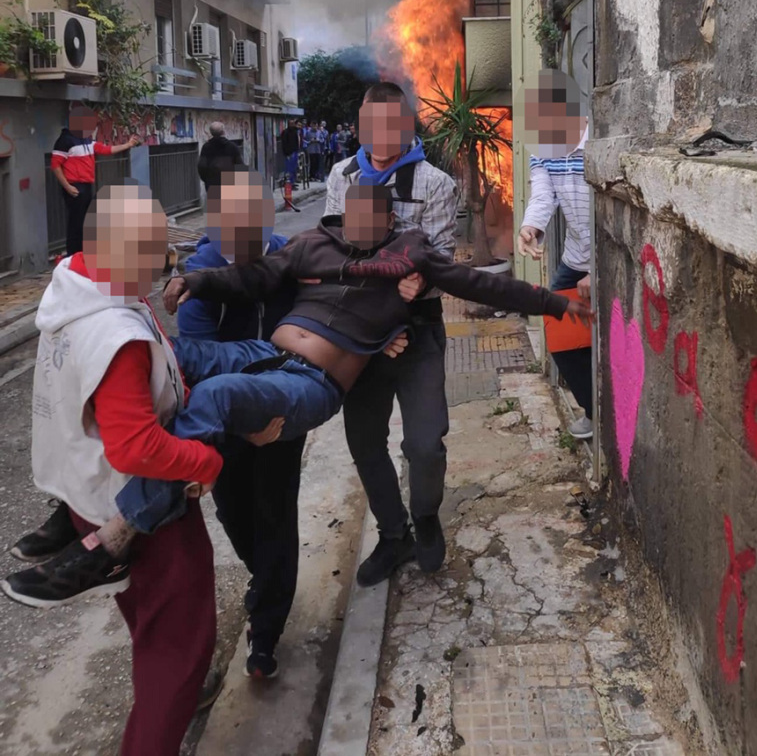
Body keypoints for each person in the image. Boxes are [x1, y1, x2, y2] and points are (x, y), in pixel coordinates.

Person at [4, 184, 586, 609]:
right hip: (265, 354)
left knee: (222, 399)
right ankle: (73, 498)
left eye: (373, 215)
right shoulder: (313, 244)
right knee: (154, 357)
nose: (361, 224)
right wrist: (195, 280)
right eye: (352, 213)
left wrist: (558, 303)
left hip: (311, 382)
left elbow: (483, 282)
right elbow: (255, 276)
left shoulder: (412, 255)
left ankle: (113, 539)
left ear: (389, 221)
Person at [7, 184, 225, 756]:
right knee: (180, 640)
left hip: (84, 494)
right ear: (110, 248)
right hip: (135, 501)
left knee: (145, 614)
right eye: (151, 249)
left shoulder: (74, 284)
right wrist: (205, 459)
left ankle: (178, 689)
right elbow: (135, 448)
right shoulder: (115, 333)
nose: (163, 261)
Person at [325, 81, 459, 586]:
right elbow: (333, 256)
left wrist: (415, 282)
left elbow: (442, 258)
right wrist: (375, 323)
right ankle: (393, 532)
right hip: (362, 334)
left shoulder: (435, 184)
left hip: (418, 329)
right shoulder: (341, 177)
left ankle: (425, 515)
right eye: (370, 124)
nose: (380, 135)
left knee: (426, 443)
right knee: (363, 438)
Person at [176, 168, 303, 678]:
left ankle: (266, 630)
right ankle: (265, 579)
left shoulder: (289, 258)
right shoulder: (199, 274)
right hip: (225, 418)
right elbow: (199, 360)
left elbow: (320, 318)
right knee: (235, 513)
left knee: (276, 514)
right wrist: (243, 418)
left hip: (284, 407)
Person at [517, 70, 594, 440]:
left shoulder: (598, 142)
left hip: (606, 258)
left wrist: (601, 269)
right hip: (574, 258)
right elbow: (543, 196)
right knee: (561, 338)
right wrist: (529, 228)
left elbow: (609, 211)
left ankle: (616, 415)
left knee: (608, 337)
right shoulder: (542, 149)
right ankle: (596, 411)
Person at [51, 103, 139, 256]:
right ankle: (74, 254)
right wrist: (67, 187)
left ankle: (84, 253)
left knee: (86, 221)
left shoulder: (86, 140)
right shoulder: (65, 140)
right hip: (75, 186)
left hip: (87, 185)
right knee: (76, 223)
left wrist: (128, 144)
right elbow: (55, 166)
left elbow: (106, 150)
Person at [197, 121, 244, 191]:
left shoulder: (206, 147)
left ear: (211, 133)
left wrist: (207, 180)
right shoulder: (232, 147)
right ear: (223, 132)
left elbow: (202, 167)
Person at [280, 118, 301, 188]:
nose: (292, 125)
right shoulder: (285, 132)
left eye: (293, 123)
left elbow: (296, 142)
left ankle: (292, 182)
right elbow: (284, 144)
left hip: (294, 152)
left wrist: (297, 150)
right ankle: (289, 184)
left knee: (294, 169)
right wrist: (287, 153)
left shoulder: (295, 132)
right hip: (289, 153)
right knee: (289, 170)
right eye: (291, 124)